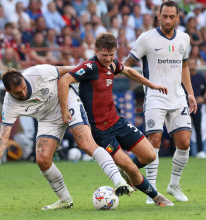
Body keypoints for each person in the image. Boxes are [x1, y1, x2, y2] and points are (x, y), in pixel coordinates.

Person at [0, 65, 134, 210]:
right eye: (18, 93)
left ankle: (119, 182)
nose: (24, 94)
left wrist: (95, 75)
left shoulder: (38, 73)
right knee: (42, 159)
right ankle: (65, 200)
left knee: (85, 143)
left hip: (67, 101)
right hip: (48, 119)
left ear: (24, 79)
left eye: (24, 88)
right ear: (8, 90)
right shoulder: (9, 104)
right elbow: (3, 138)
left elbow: (69, 70)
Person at [58, 33, 174, 207]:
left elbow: (127, 70)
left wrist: (152, 85)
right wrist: (64, 110)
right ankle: (157, 197)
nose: (107, 59)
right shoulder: (90, 67)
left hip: (117, 122)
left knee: (150, 155)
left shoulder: (112, 64)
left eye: (111, 55)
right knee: (132, 167)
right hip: (101, 132)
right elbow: (64, 80)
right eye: (104, 55)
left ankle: (126, 171)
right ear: (96, 51)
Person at [122, 1, 197, 204]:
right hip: (155, 98)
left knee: (184, 143)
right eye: (165, 16)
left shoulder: (184, 38)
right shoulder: (146, 39)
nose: (168, 20)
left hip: (178, 97)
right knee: (153, 142)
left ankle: (173, 185)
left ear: (178, 18)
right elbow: (126, 65)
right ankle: (152, 191)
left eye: (172, 17)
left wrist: (190, 93)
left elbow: (184, 67)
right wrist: (142, 82)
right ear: (158, 15)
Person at [189, 58, 206, 158]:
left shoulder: (199, 77)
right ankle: (178, 152)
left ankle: (200, 151)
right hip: (184, 106)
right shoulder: (184, 76)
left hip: (197, 107)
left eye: (193, 63)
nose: (192, 65)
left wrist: (203, 98)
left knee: (198, 130)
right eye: (190, 64)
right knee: (181, 130)